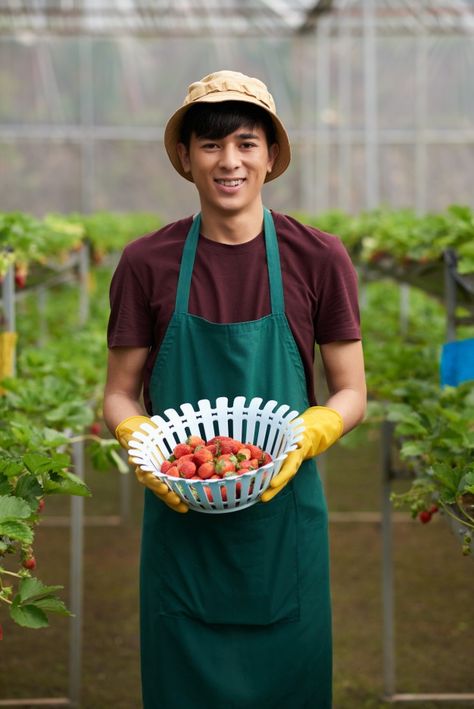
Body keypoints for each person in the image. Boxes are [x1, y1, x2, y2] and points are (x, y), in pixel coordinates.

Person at [104, 70, 366, 709]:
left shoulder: (318, 257)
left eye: (247, 143)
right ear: (186, 158)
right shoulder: (147, 263)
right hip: (181, 515)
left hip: (284, 520)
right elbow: (118, 392)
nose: (230, 162)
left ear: (271, 155)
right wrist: (137, 435)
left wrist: (316, 429)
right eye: (211, 146)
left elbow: (352, 389)